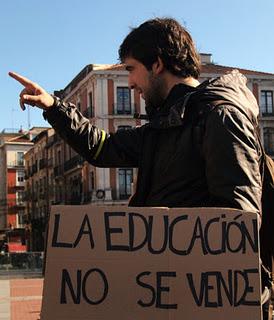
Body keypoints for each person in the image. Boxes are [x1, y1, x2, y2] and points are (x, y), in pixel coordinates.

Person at [9, 17, 271, 319]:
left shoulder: (221, 117)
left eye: (132, 69)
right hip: (170, 297)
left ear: (157, 64)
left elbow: (238, 220)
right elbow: (103, 148)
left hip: (207, 304)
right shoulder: (161, 127)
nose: (131, 83)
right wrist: (54, 108)